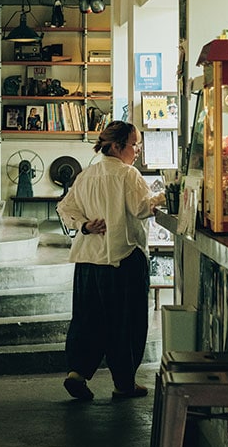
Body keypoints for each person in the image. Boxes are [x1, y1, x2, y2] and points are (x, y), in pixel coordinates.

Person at [56, 120, 165, 402]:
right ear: (117, 146)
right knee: (125, 323)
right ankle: (123, 384)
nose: (138, 150)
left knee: (87, 320)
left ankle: (77, 374)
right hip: (123, 259)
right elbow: (142, 209)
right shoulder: (128, 175)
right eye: (135, 144)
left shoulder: (86, 174)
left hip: (88, 261)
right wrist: (167, 194)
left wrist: (84, 226)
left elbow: (65, 207)